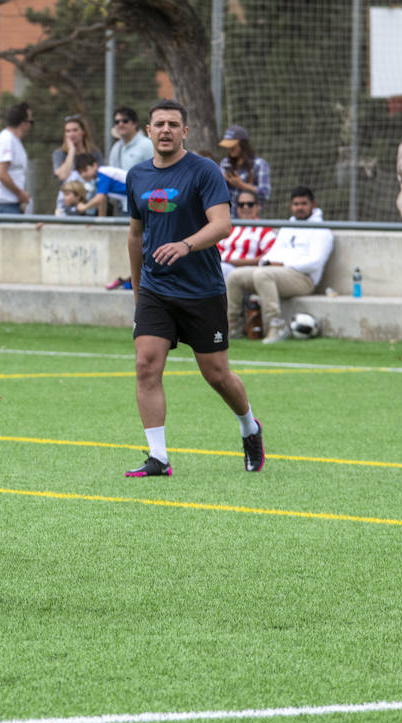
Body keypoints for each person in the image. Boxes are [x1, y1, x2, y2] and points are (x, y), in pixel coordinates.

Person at [123, 99, 264, 478]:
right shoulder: (136, 176)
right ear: (148, 131)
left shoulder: (204, 171)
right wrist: (138, 291)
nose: (165, 130)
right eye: (159, 124)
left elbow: (222, 225)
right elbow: (136, 236)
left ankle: (249, 427)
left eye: (173, 124)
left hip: (201, 289)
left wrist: (186, 244)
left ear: (185, 131)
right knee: (145, 364)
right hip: (155, 288)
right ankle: (158, 457)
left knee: (217, 375)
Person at [226, 186, 335, 344]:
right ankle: (232, 325)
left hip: (303, 279)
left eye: (304, 203)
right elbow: (273, 252)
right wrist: (266, 262)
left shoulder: (322, 231)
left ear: (313, 204)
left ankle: (277, 325)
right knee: (235, 276)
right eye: (296, 204)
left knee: (263, 274)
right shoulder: (287, 226)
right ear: (291, 206)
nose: (300, 208)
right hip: (278, 273)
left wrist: (284, 264)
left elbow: (315, 262)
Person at [0, 102, 32, 214]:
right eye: (30, 122)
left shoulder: (13, 141)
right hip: (0, 203)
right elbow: (1, 173)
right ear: (23, 123)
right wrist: (20, 194)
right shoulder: (6, 140)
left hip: (9, 203)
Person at [216, 193, 276, 279]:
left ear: (258, 206)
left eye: (250, 204)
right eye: (241, 205)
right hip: (222, 267)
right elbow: (217, 250)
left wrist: (239, 262)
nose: (245, 207)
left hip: (246, 272)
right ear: (237, 208)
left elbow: (269, 257)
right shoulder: (230, 228)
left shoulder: (265, 231)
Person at [218, 125, 271, 216]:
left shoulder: (260, 164)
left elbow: (265, 193)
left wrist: (241, 185)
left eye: (233, 145)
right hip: (228, 218)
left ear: (242, 144)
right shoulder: (225, 163)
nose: (229, 149)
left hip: (250, 221)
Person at [51, 114, 101, 207]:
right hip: (66, 205)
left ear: (83, 132)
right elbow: (62, 176)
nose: (71, 134)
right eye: (68, 131)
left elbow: (99, 178)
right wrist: (71, 151)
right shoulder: (59, 154)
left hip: (90, 203)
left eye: (75, 130)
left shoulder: (94, 153)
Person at [72, 153, 128, 217]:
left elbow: (100, 198)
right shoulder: (97, 179)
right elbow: (102, 200)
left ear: (95, 165)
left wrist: (84, 207)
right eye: (80, 172)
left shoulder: (103, 174)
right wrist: (101, 220)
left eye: (85, 170)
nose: (83, 175)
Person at [106, 106, 154, 172]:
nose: (120, 124)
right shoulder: (116, 147)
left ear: (135, 123)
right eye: (117, 122)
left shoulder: (148, 145)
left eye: (125, 121)